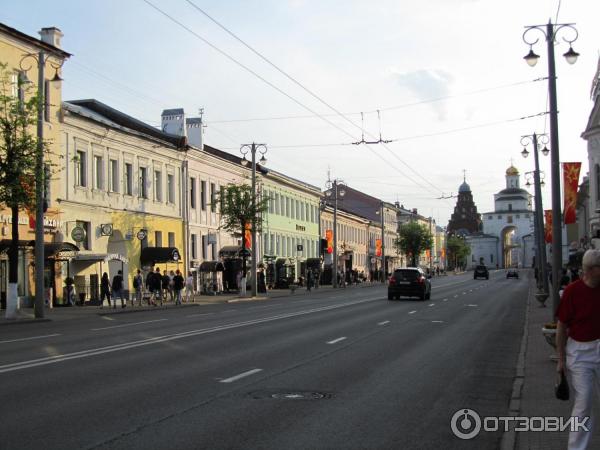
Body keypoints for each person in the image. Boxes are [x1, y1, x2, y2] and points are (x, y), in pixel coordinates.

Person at [556, 249, 600, 450]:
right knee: (583, 404)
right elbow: (562, 327)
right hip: (580, 353)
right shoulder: (573, 291)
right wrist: (561, 359)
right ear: (591, 270)